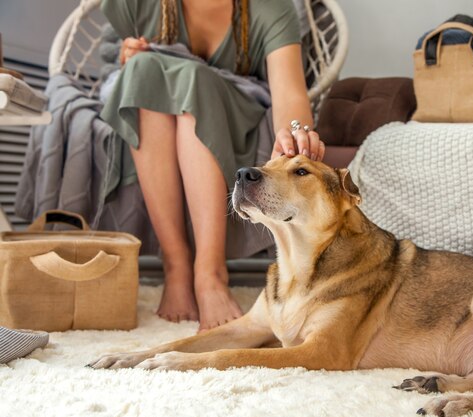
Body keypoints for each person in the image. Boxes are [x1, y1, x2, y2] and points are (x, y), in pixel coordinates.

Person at [100, 0, 325, 331]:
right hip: (157, 109)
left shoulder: (269, 7)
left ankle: (210, 273)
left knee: (193, 79)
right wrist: (126, 55)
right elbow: (110, 64)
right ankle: (176, 266)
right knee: (141, 70)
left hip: (233, 112)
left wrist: (296, 134)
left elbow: (289, 89)